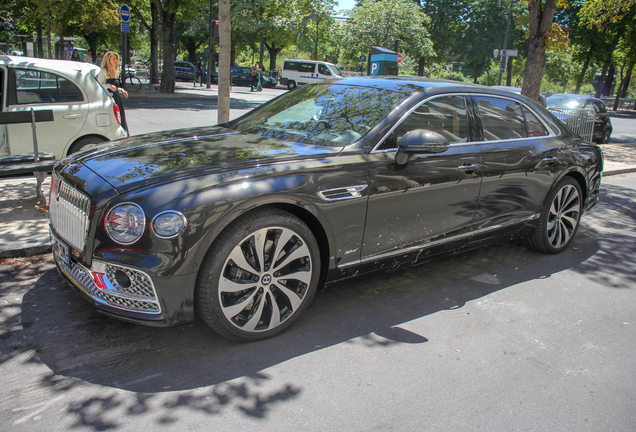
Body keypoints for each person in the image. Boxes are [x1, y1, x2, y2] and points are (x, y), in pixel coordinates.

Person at [97, 51, 129, 134]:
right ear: (108, 60)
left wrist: (121, 90)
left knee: (121, 117)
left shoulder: (115, 71)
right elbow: (98, 85)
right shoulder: (104, 71)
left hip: (117, 97)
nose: (116, 61)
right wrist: (108, 86)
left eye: (116, 59)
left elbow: (115, 87)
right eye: (113, 59)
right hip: (108, 99)